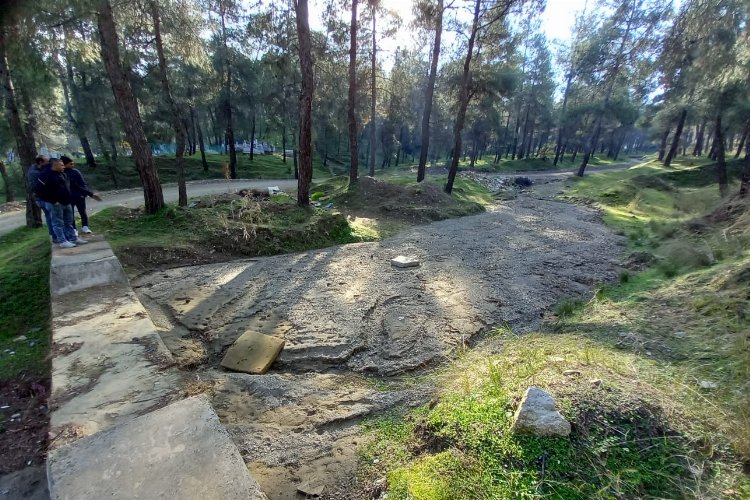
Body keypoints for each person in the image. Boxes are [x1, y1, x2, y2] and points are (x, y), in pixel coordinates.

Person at [35, 158, 88, 248]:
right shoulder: (45, 175)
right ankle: (62, 241)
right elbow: (39, 191)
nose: (64, 167)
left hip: (67, 202)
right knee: (58, 223)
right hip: (55, 203)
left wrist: (89, 193)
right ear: (55, 165)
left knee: (69, 222)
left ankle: (73, 238)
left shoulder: (63, 174)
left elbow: (73, 186)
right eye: (61, 165)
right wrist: (52, 201)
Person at [60, 156, 101, 234]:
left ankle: (85, 226)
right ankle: (74, 229)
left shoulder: (76, 172)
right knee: (70, 213)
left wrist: (84, 194)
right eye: (70, 164)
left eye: (73, 163)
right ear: (64, 165)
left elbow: (82, 183)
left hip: (79, 195)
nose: (73, 165)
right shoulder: (62, 173)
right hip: (69, 197)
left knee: (82, 211)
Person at [26, 155, 55, 241]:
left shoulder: (37, 169)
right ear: (40, 162)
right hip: (42, 198)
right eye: (47, 161)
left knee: (49, 216)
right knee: (51, 216)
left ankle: (53, 234)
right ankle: (54, 235)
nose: (49, 163)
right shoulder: (35, 173)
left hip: (42, 197)